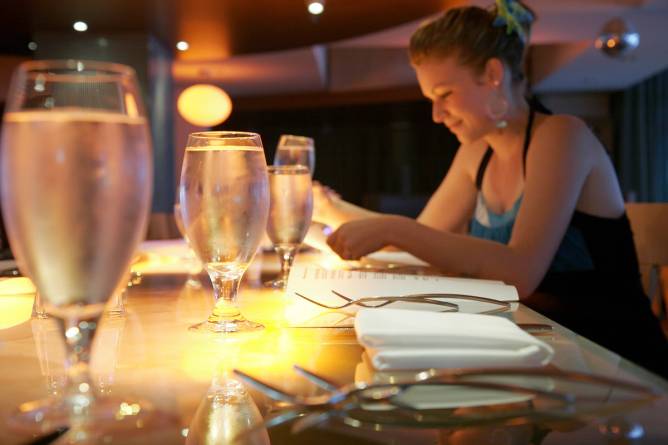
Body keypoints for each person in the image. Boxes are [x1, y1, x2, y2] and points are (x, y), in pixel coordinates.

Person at [315, 0, 668, 378]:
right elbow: (421, 239)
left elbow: (521, 271)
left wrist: (393, 228)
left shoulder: (562, 136)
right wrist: (326, 208)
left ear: (493, 73)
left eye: (444, 94)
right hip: (532, 358)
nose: (436, 115)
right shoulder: (476, 153)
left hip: (615, 370)